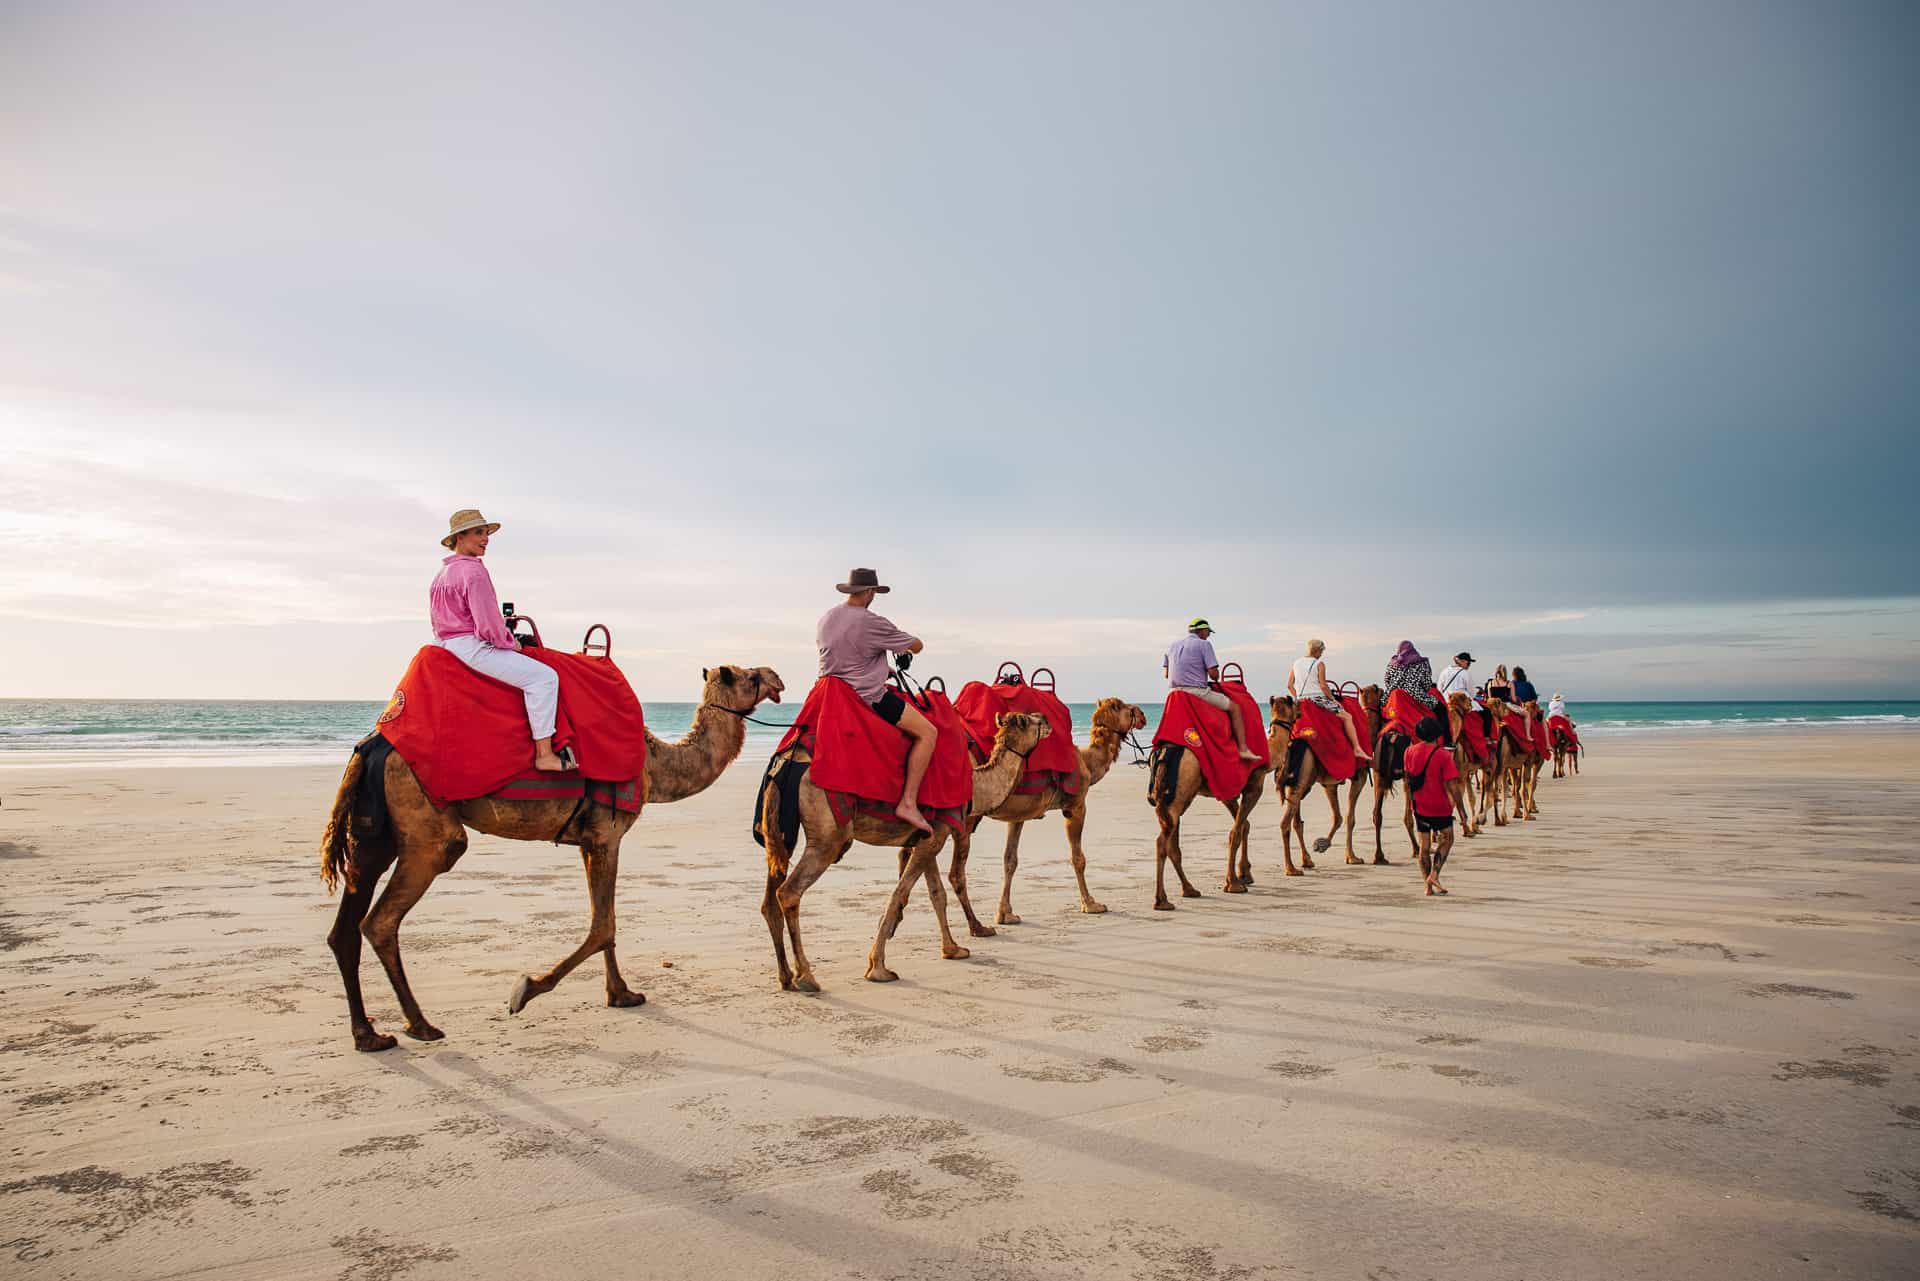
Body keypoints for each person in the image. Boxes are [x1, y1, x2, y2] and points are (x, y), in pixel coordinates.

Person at [430, 509, 567, 772]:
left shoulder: (441, 575)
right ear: (460, 536)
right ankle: (545, 754)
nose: (486, 539)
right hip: (472, 647)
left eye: (486, 533)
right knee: (544, 678)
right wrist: (511, 642)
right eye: (479, 533)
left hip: (444, 646)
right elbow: (488, 627)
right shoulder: (474, 572)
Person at [817, 567, 934, 833]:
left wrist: (881, 668)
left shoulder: (827, 617)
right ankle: (908, 803)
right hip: (867, 697)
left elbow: (843, 659)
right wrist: (906, 642)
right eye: (874, 592)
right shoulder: (871, 621)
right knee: (928, 732)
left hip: (830, 695)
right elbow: (916, 646)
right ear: (870, 592)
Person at [1163, 618, 1259, 763]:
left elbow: (1166, 674)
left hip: (1174, 694)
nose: (1208, 635)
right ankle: (1243, 749)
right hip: (1196, 692)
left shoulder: (1172, 646)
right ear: (1201, 631)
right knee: (1235, 708)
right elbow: (1214, 675)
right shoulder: (1204, 644)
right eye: (1208, 632)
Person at [1406, 717, 1464, 896]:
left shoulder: (1409, 751)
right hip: (1439, 806)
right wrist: (1462, 811)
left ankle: (1427, 886)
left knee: (1424, 845)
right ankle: (1434, 874)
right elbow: (1453, 785)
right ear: (1437, 735)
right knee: (1447, 839)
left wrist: (1409, 805)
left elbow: (1408, 780)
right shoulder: (1443, 755)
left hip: (1419, 804)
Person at [1287, 639, 1369, 758]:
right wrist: (1333, 700)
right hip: (1318, 699)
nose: (1321, 654)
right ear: (1317, 650)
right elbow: (1323, 686)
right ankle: (1357, 748)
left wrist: (1299, 697)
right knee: (1347, 717)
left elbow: (1289, 685)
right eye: (1321, 651)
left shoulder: (1296, 663)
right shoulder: (1319, 664)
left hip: (1300, 700)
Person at [1383, 641, 1440, 710]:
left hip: (1391, 697)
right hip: (1417, 697)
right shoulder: (1422, 663)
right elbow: (1426, 684)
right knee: (1441, 709)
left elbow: (1387, 681)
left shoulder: (1392, 664)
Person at [1512, 665, 1540, 738]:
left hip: (1516, 706)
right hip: (1528, 708)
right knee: (1542, 722)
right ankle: (1548, 743)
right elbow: (1534, 697)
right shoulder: (1528, 684)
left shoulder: (1512, 684)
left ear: (1514, 675)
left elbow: (1511, 697)